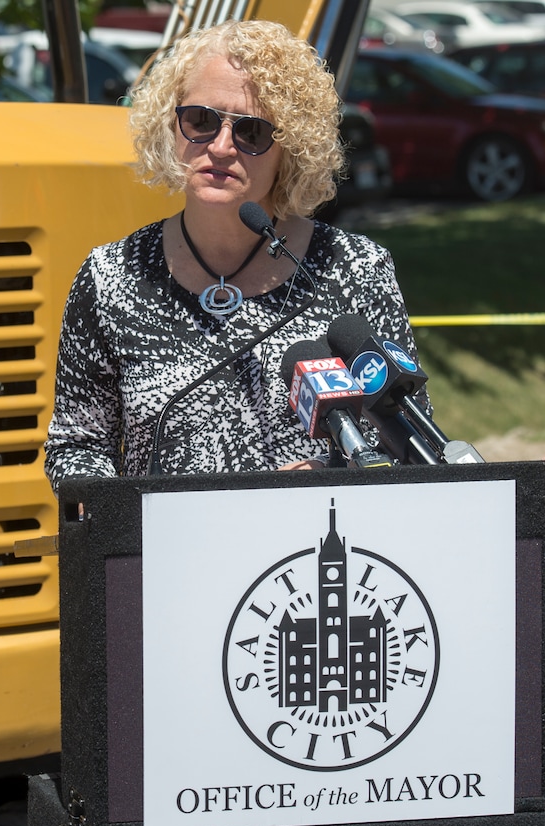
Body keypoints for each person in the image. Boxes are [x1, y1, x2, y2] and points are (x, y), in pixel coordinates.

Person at [44, 19, 430, 492]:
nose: (222, 147)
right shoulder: (109, 278)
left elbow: (409, 435)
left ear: (291, 149)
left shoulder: (355, 270)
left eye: (251, 132)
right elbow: (77, 445)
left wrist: (332, 474)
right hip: (166, 556)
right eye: (201, 121)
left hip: (313, 553)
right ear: (172, 122)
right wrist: (120, 518)